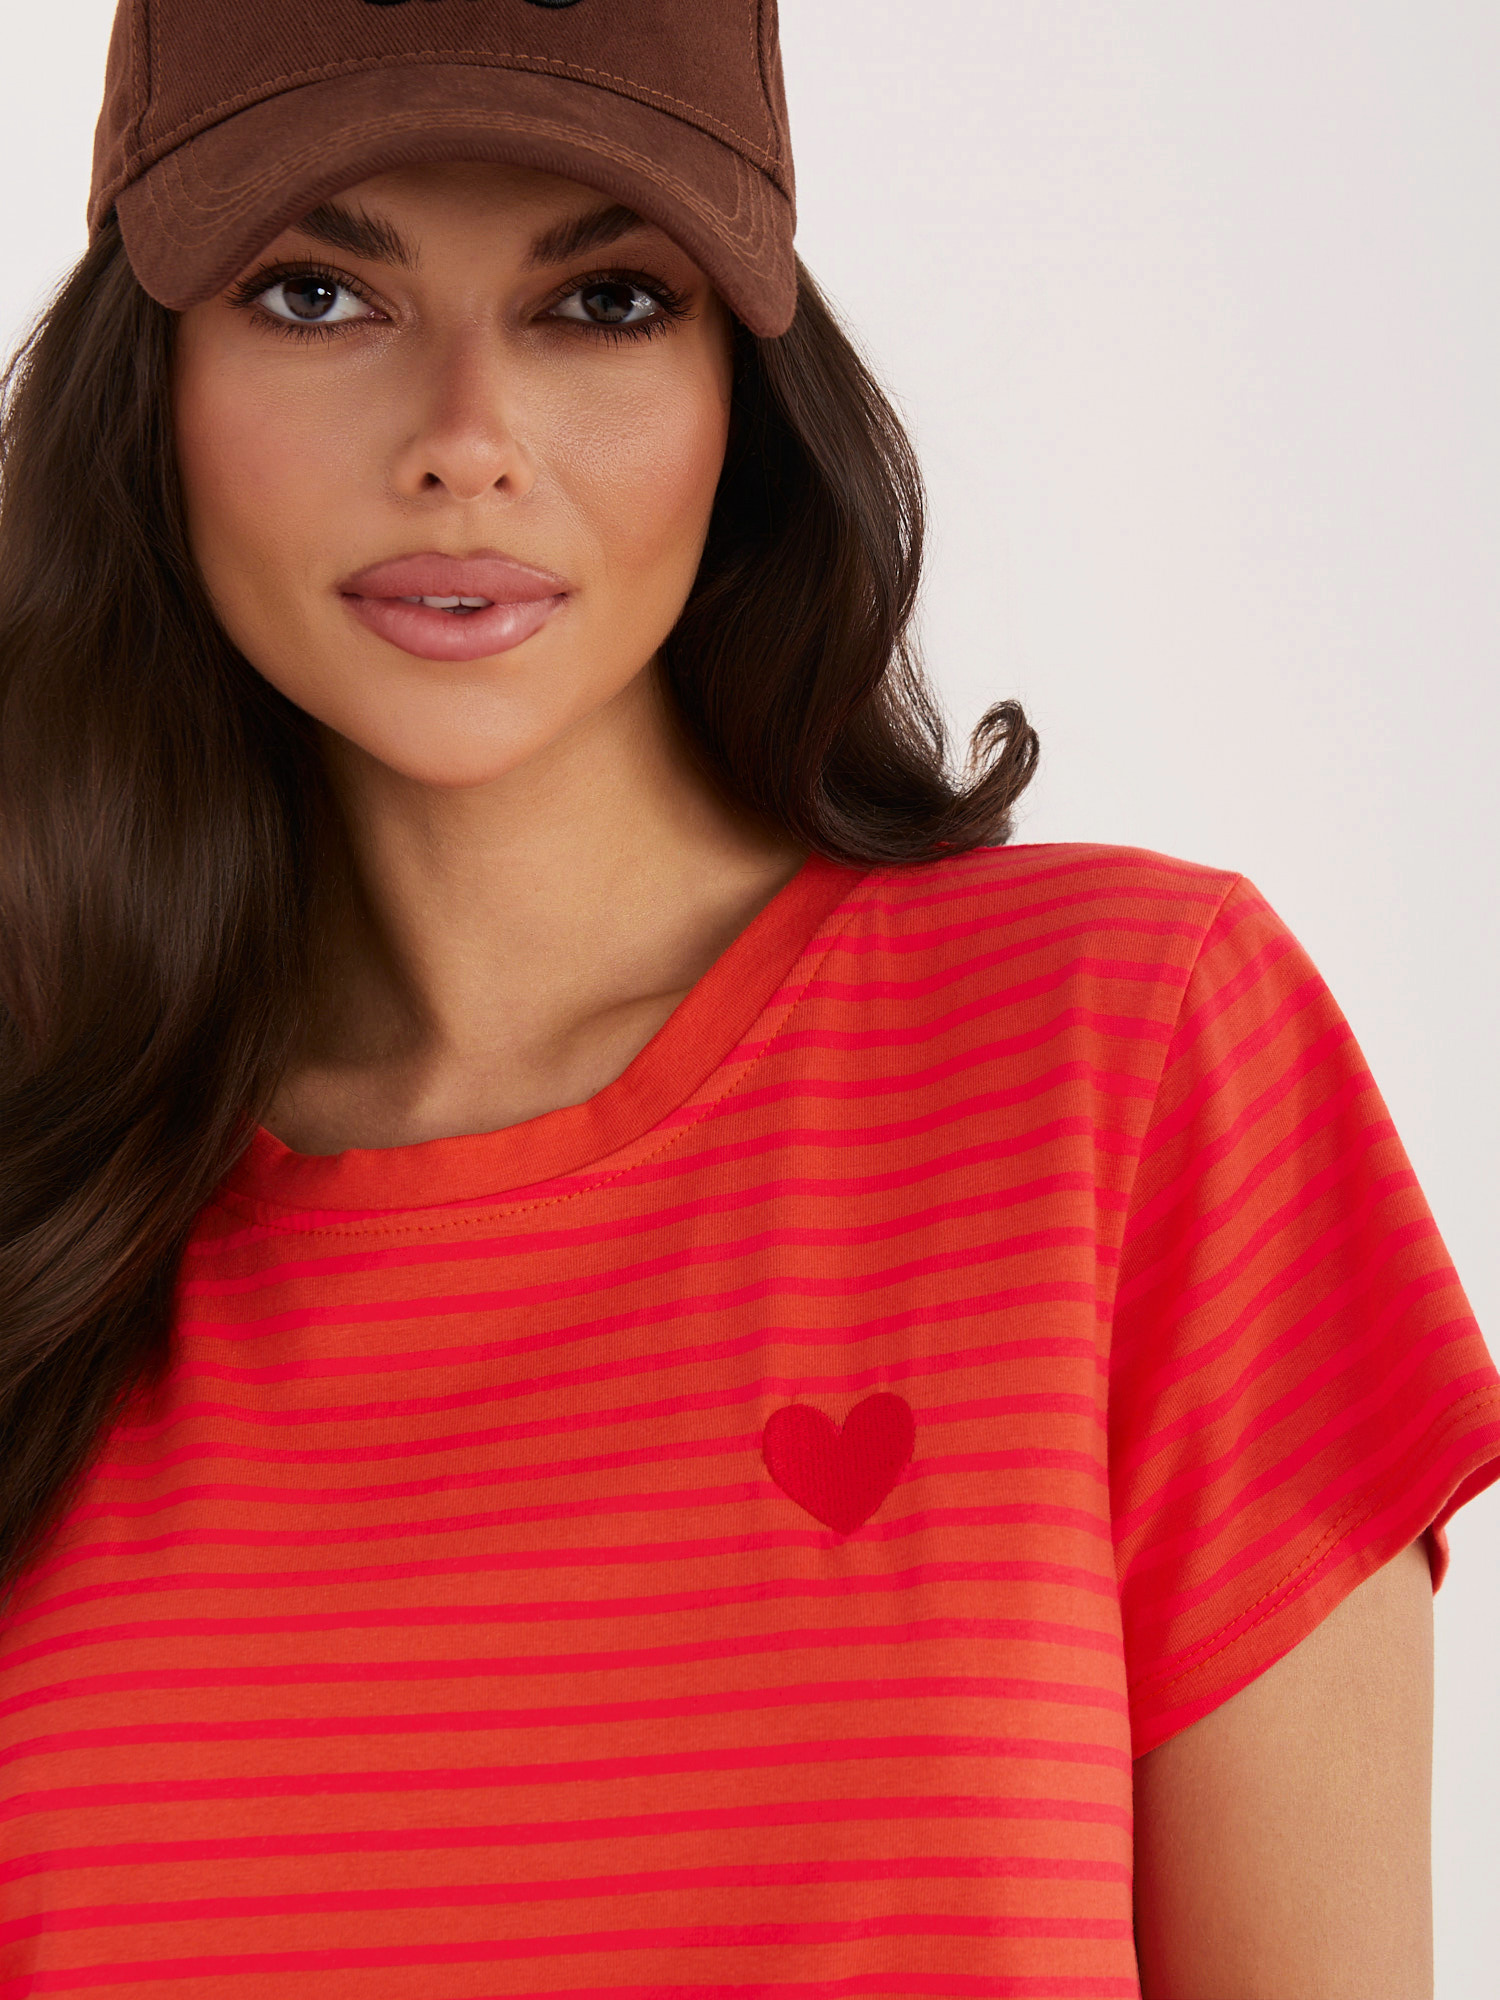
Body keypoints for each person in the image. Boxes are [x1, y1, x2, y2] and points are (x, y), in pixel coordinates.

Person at [0, 2, 1495, 1994]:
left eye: (603, 302)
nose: (465, 436)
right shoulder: (39, 1220)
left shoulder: (1125, 1065)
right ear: (151, 380)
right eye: (317, 292)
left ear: (747, 388)